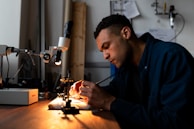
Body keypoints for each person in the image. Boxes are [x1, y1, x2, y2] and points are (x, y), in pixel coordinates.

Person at [70, 14, 194, 129]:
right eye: (102, 51)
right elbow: (116, 90)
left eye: (106, 46)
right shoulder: (127, 65)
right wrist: (88, 92)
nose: (105, 56)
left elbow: (174, 122)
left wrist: (109, 102)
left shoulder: (172, 57)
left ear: (126, 33)